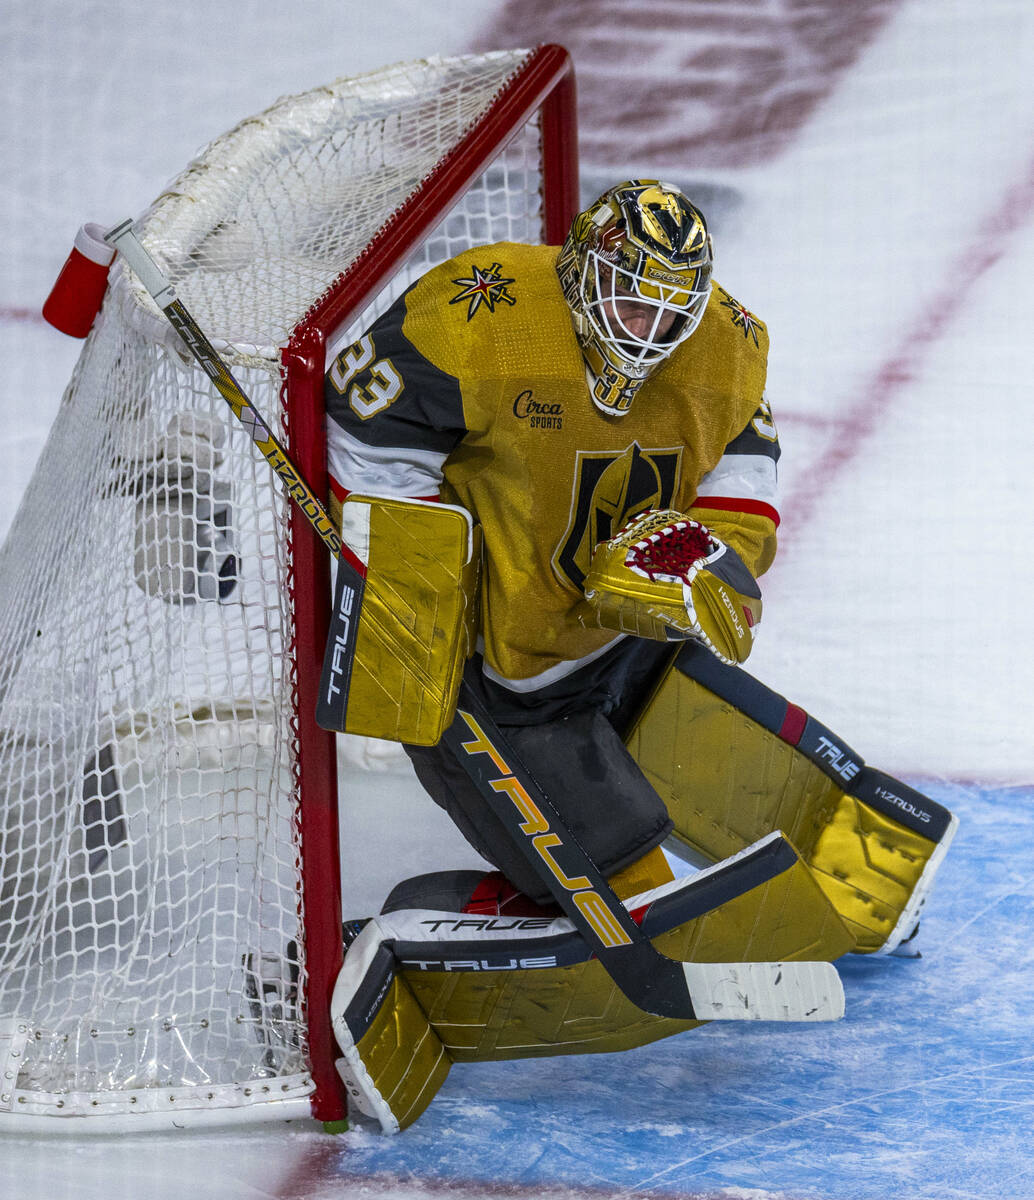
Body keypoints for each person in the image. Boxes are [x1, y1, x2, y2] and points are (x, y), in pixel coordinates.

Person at [323, 179, 779, 912]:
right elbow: (368, 434)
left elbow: (743, 464)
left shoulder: (726, 340)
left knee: (777, 806)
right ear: (581, 273)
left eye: (670, 314)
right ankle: (434, 923)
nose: (647, 331)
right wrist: (426, 586)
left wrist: (710, 552)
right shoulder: (483, 311)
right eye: (633, 301)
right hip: (497, 668)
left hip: (635, 641)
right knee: (624, 892)